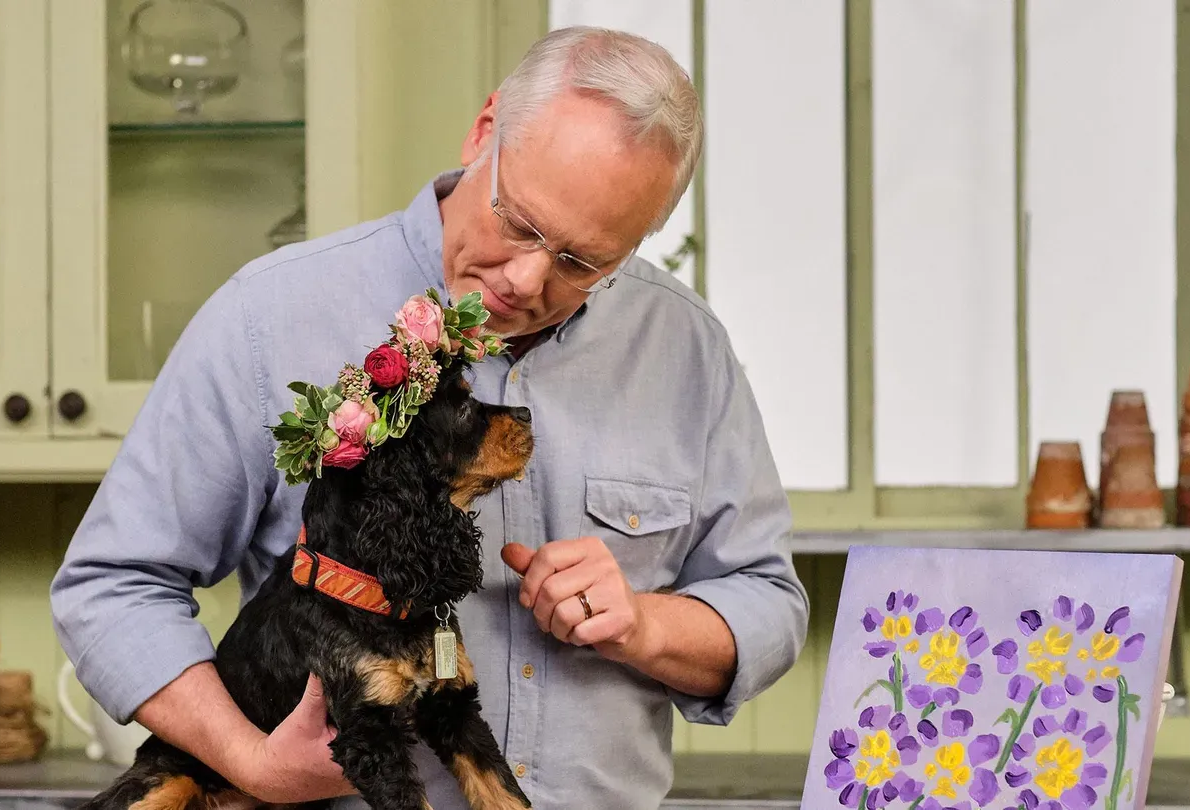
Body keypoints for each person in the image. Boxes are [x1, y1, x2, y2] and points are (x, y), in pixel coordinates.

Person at [49, 24, 808, 810]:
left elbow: (767, 604)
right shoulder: (269, 315)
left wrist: (646, 626)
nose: (524, 279)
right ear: (485, 132)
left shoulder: (686, 346)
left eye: (583, 264)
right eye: (519, 222)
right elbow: (114, 583)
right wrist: (253, 763)